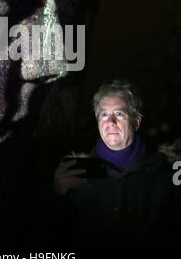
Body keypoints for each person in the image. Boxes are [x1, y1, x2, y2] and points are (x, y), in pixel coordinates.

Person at [48, 79, 180, 249]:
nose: (110, 122)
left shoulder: (167, 170)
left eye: (119, 113)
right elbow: (54, 234)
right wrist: (57, 193)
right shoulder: (74, 171)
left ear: (136, 122)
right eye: (104, 114)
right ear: (98, 123)